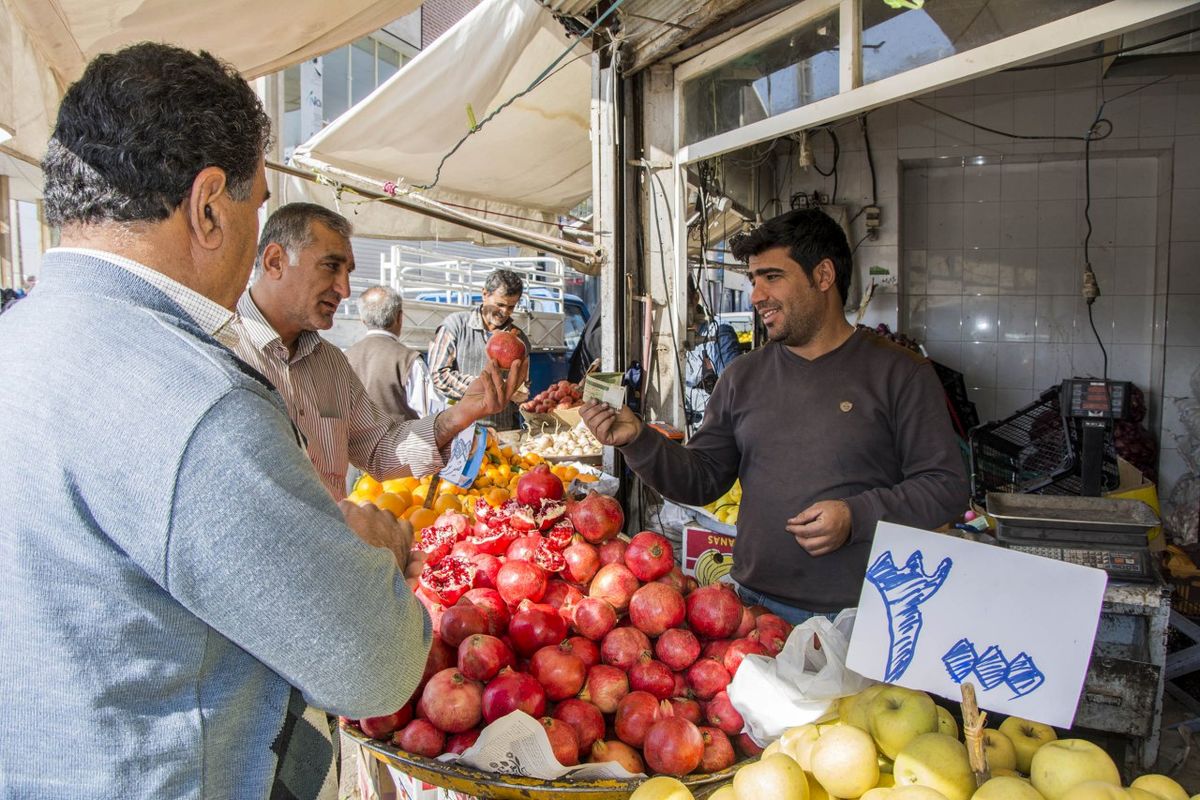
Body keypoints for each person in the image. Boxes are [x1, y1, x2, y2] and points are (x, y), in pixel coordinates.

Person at [0, 44, 512, 799]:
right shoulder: (195, 398)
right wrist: (370, 554)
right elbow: (374, 664)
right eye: (254, 201)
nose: (346, 284)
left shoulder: (22, 343)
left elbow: (374, 449)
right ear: (210, 206)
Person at [580, 209, 969, 624]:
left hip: (864, 617)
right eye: (753, 280)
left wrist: (857, 516)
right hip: (754, 609)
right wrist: (638, 439)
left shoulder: (900, 373)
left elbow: (945, 488)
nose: (756, 295)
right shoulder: (743, 376)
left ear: (823, 276)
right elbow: (703, 478)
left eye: (772, 277)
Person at [230, 203, 519, 501]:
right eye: (331, 266)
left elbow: (379, 448)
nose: (345, 289)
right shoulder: (223, 351)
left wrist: (460, 414)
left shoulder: (329, 364)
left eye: (348, 272)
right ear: (275, 262)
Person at [428, 268, 531, 430]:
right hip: (460, 428)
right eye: (500, 304)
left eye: (511, 307)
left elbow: (522, 384)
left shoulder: (520, 341)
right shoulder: (455, 325)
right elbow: (438, 376)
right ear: (484, 294)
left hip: (501, 430)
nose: (504, 312)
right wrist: (487, 387)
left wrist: (519, 393)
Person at [347, 285, 444, 420]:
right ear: (399, 317)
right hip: (402, 440)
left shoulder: (344, 357)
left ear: (363, 320)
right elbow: (430, 415)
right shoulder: (409, 360)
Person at [683, 281, 742, 425]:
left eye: (683, 302)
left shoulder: (719, 333)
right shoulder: (670, 339)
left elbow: (733, 388)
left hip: (712, 425)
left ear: (695, 298)